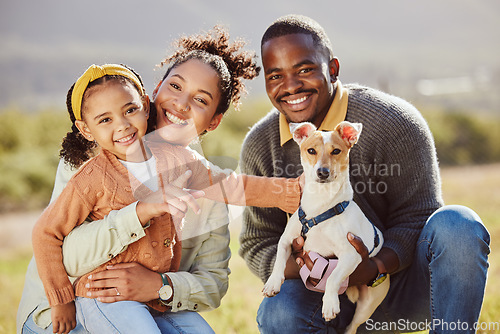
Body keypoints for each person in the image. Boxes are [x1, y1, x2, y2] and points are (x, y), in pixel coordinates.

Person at [18, 27, 301, 334]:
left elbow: (215, 276)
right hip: (78, 302)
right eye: (175, 86)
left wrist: (160, 285)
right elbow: (55, 244)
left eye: (201, 100)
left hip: (150, 302)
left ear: (215, 121)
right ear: (154, 91)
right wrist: (138, 212)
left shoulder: (188, 165)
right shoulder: (91, 161)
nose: (181, 104)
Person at [239, 14, 490, 333]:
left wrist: (373, 267)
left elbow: (420, 215)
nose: (290, 87)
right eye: (275, 76)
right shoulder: (260, 145)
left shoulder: (395, 122)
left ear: (332, 69)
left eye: (304, 69)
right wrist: (304, 268)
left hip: (401, 291)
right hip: (321, 298)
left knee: (458, 225)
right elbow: (256, 240)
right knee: (279, 312)